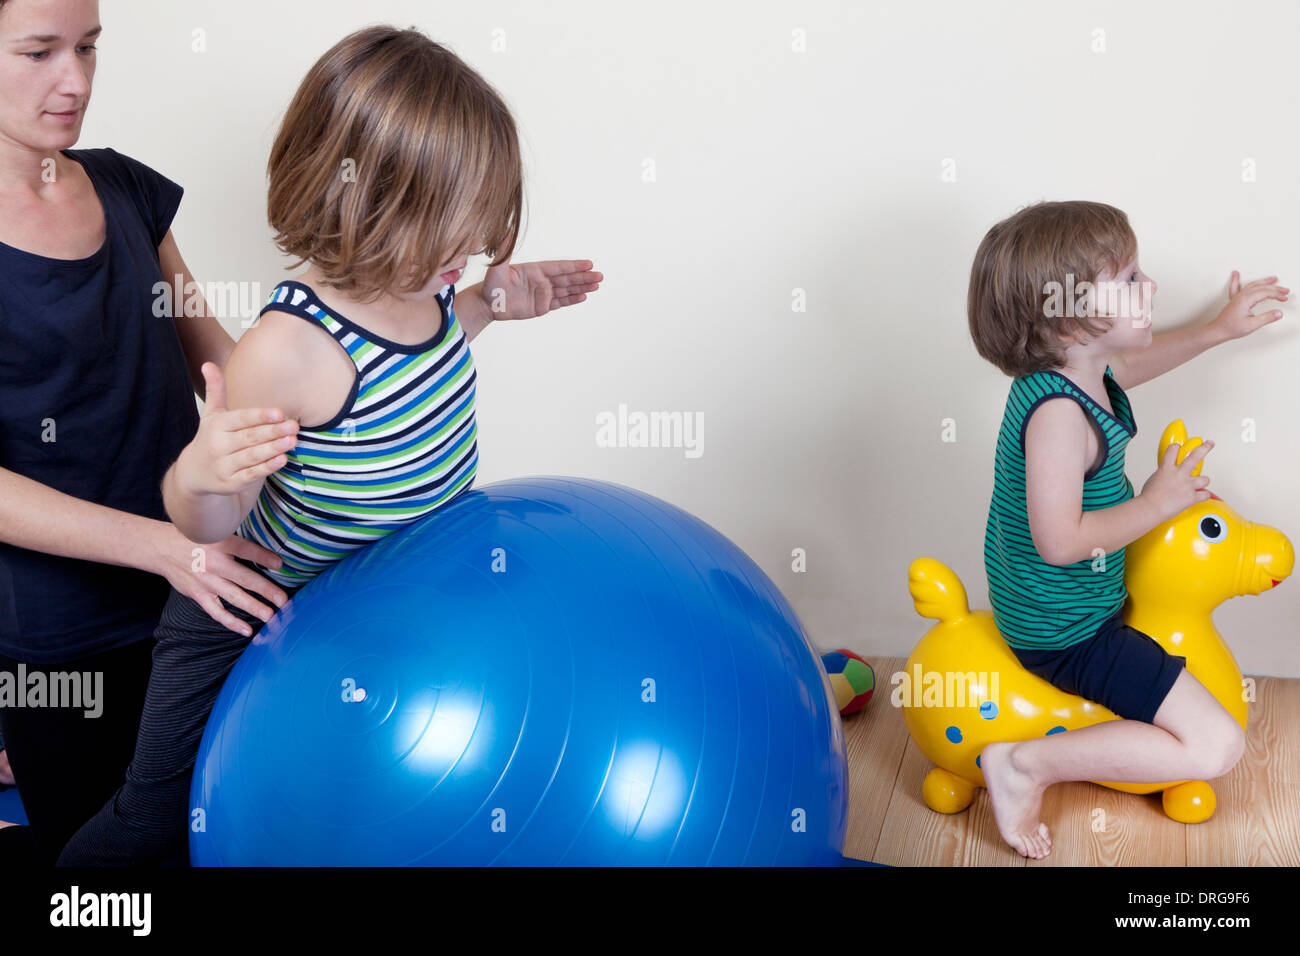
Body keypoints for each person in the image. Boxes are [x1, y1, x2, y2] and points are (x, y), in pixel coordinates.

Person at [57, 23, 603, 865]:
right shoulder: (291, 350)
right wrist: (201, 474)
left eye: (482, 228)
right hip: (252, 617)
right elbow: (209, 524)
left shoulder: (430, 295)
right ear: (375, 207)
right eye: (457, 231)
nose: (477, 249)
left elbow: (415, 370)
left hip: (392, 607)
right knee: (154, 819)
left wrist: (495, 304)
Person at [0, 0, 290, 862]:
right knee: (113, 880)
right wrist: (166, 547)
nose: (77, 80)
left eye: (89, 47)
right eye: (39, 51)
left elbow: (229, 372)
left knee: (223, 834)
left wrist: (414, 326)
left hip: (201, 593)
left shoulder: (125, 187)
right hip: (64, 645)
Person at [967, 200, 1288, 858]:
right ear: (1072, 317)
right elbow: (1058, 542)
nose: (1152, 288)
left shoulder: (1075, 374)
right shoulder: (1057, 417)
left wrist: (1217, 331)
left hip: (1080, 604)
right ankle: (1025, 766)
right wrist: (1158, 501)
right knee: (1219, 746)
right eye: (1132, 278)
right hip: (1067, 633)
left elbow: (1129, 369)